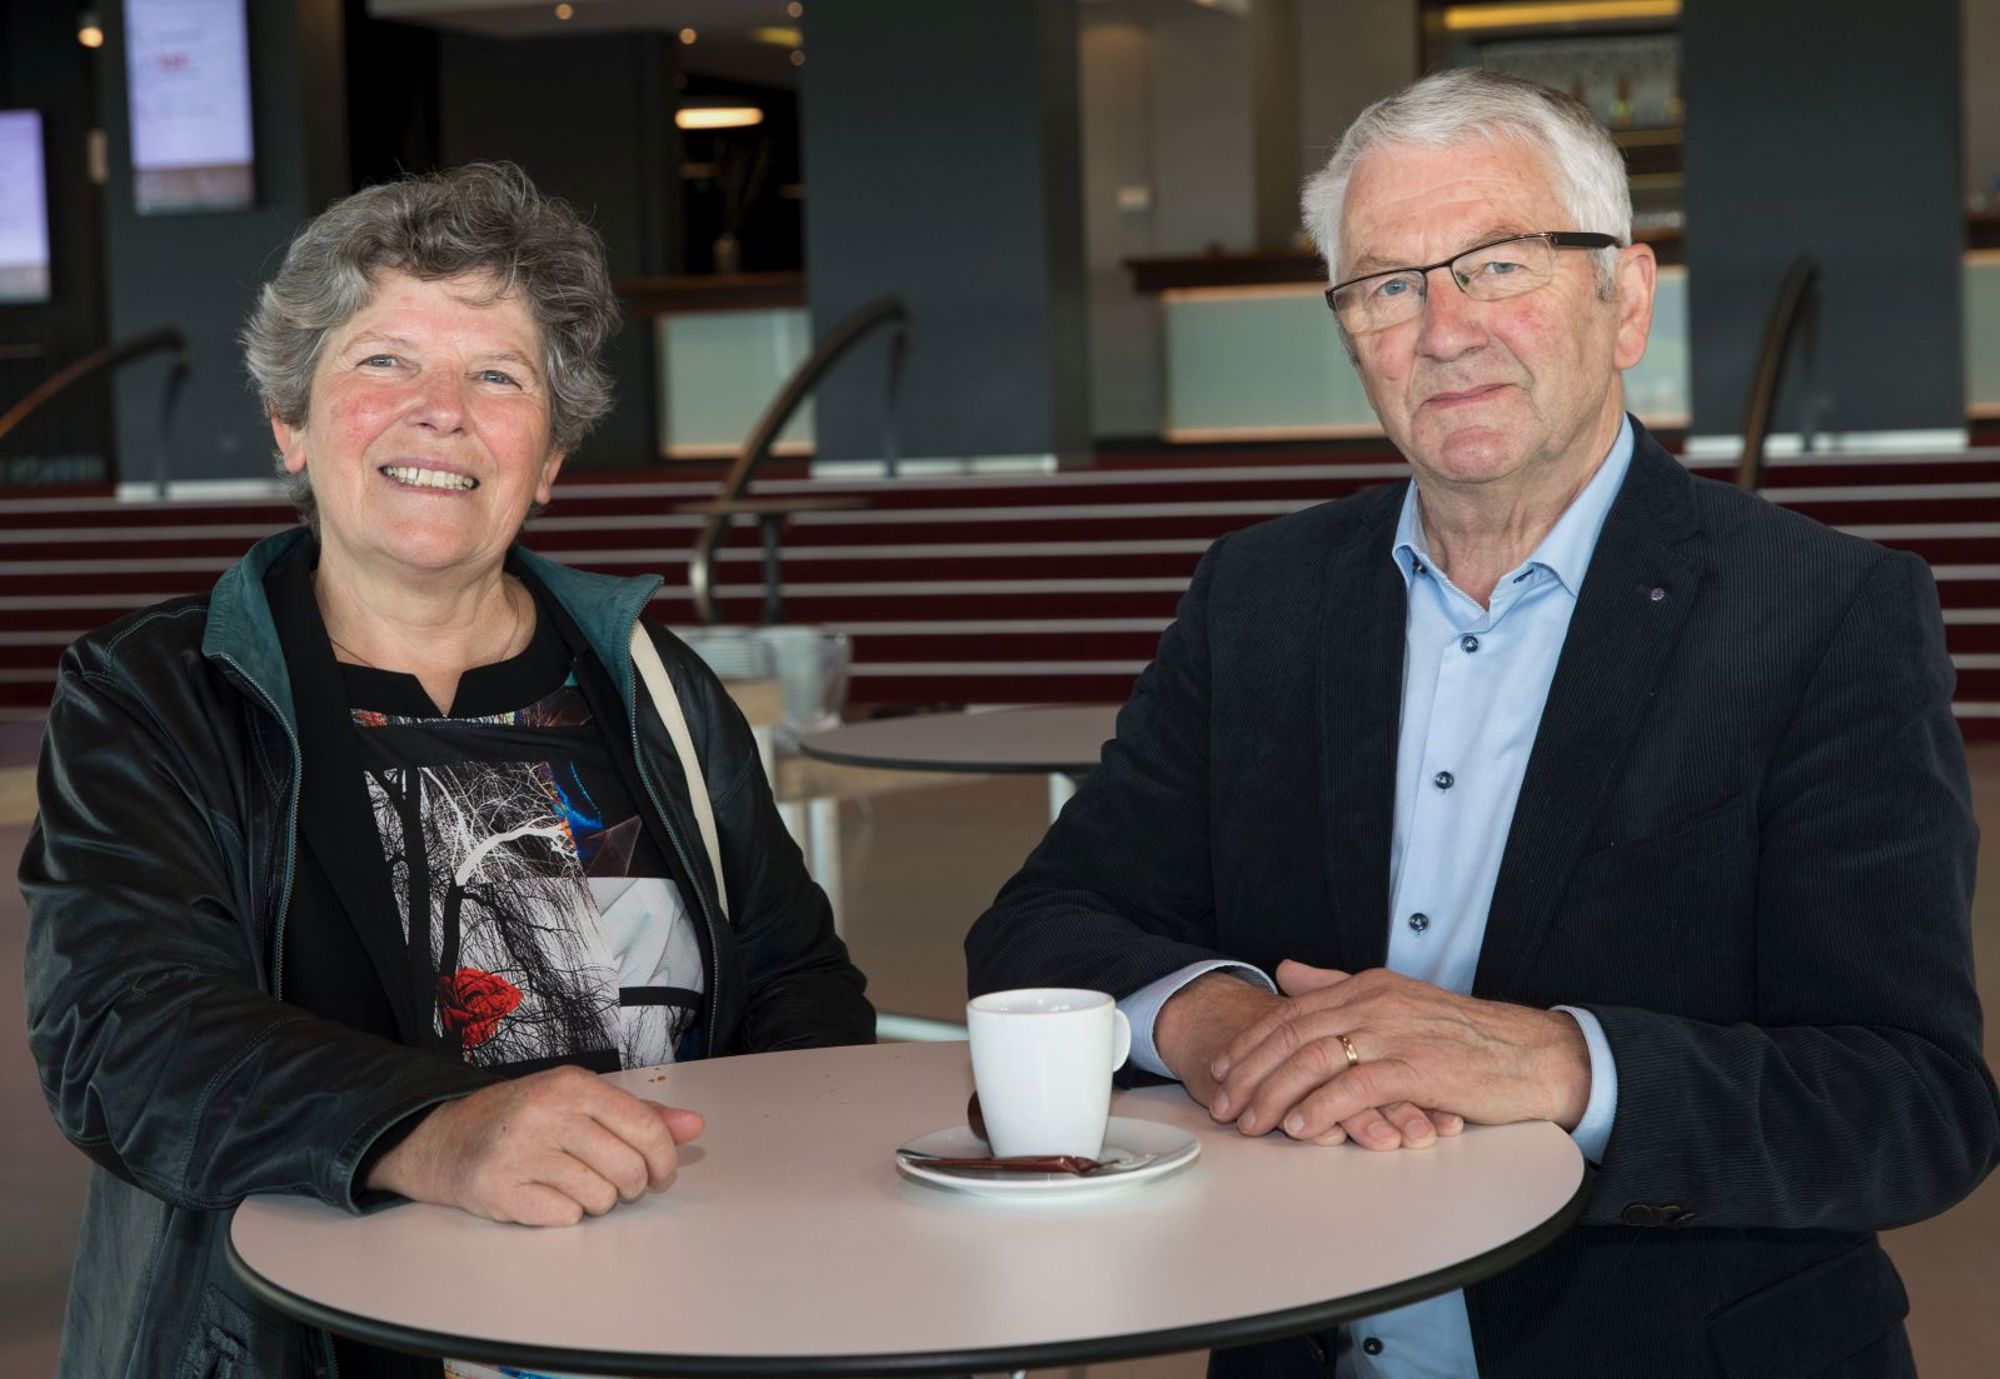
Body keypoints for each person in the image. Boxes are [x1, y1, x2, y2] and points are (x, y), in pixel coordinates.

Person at [966, 69, 1999, 1378]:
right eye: (1386, 284)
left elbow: (1911, 1102)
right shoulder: (1260, 595)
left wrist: (1564, 1062)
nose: (1443, 331)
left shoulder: (1824, 613)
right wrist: (1219, 1020)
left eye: (1498, 264)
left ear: (1625, 299)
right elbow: (1042, 924)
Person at [21, 162, 872, 1379]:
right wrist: (434, 1129)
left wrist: (765, 1207)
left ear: (550, 454)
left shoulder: (648, 680)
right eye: (384, 360)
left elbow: (795, 980)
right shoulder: (156, 692)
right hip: (303, 1346)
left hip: (665, 1324)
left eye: (497, 376)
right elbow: (126, 1036)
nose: (440, 411)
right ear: (290, 421)